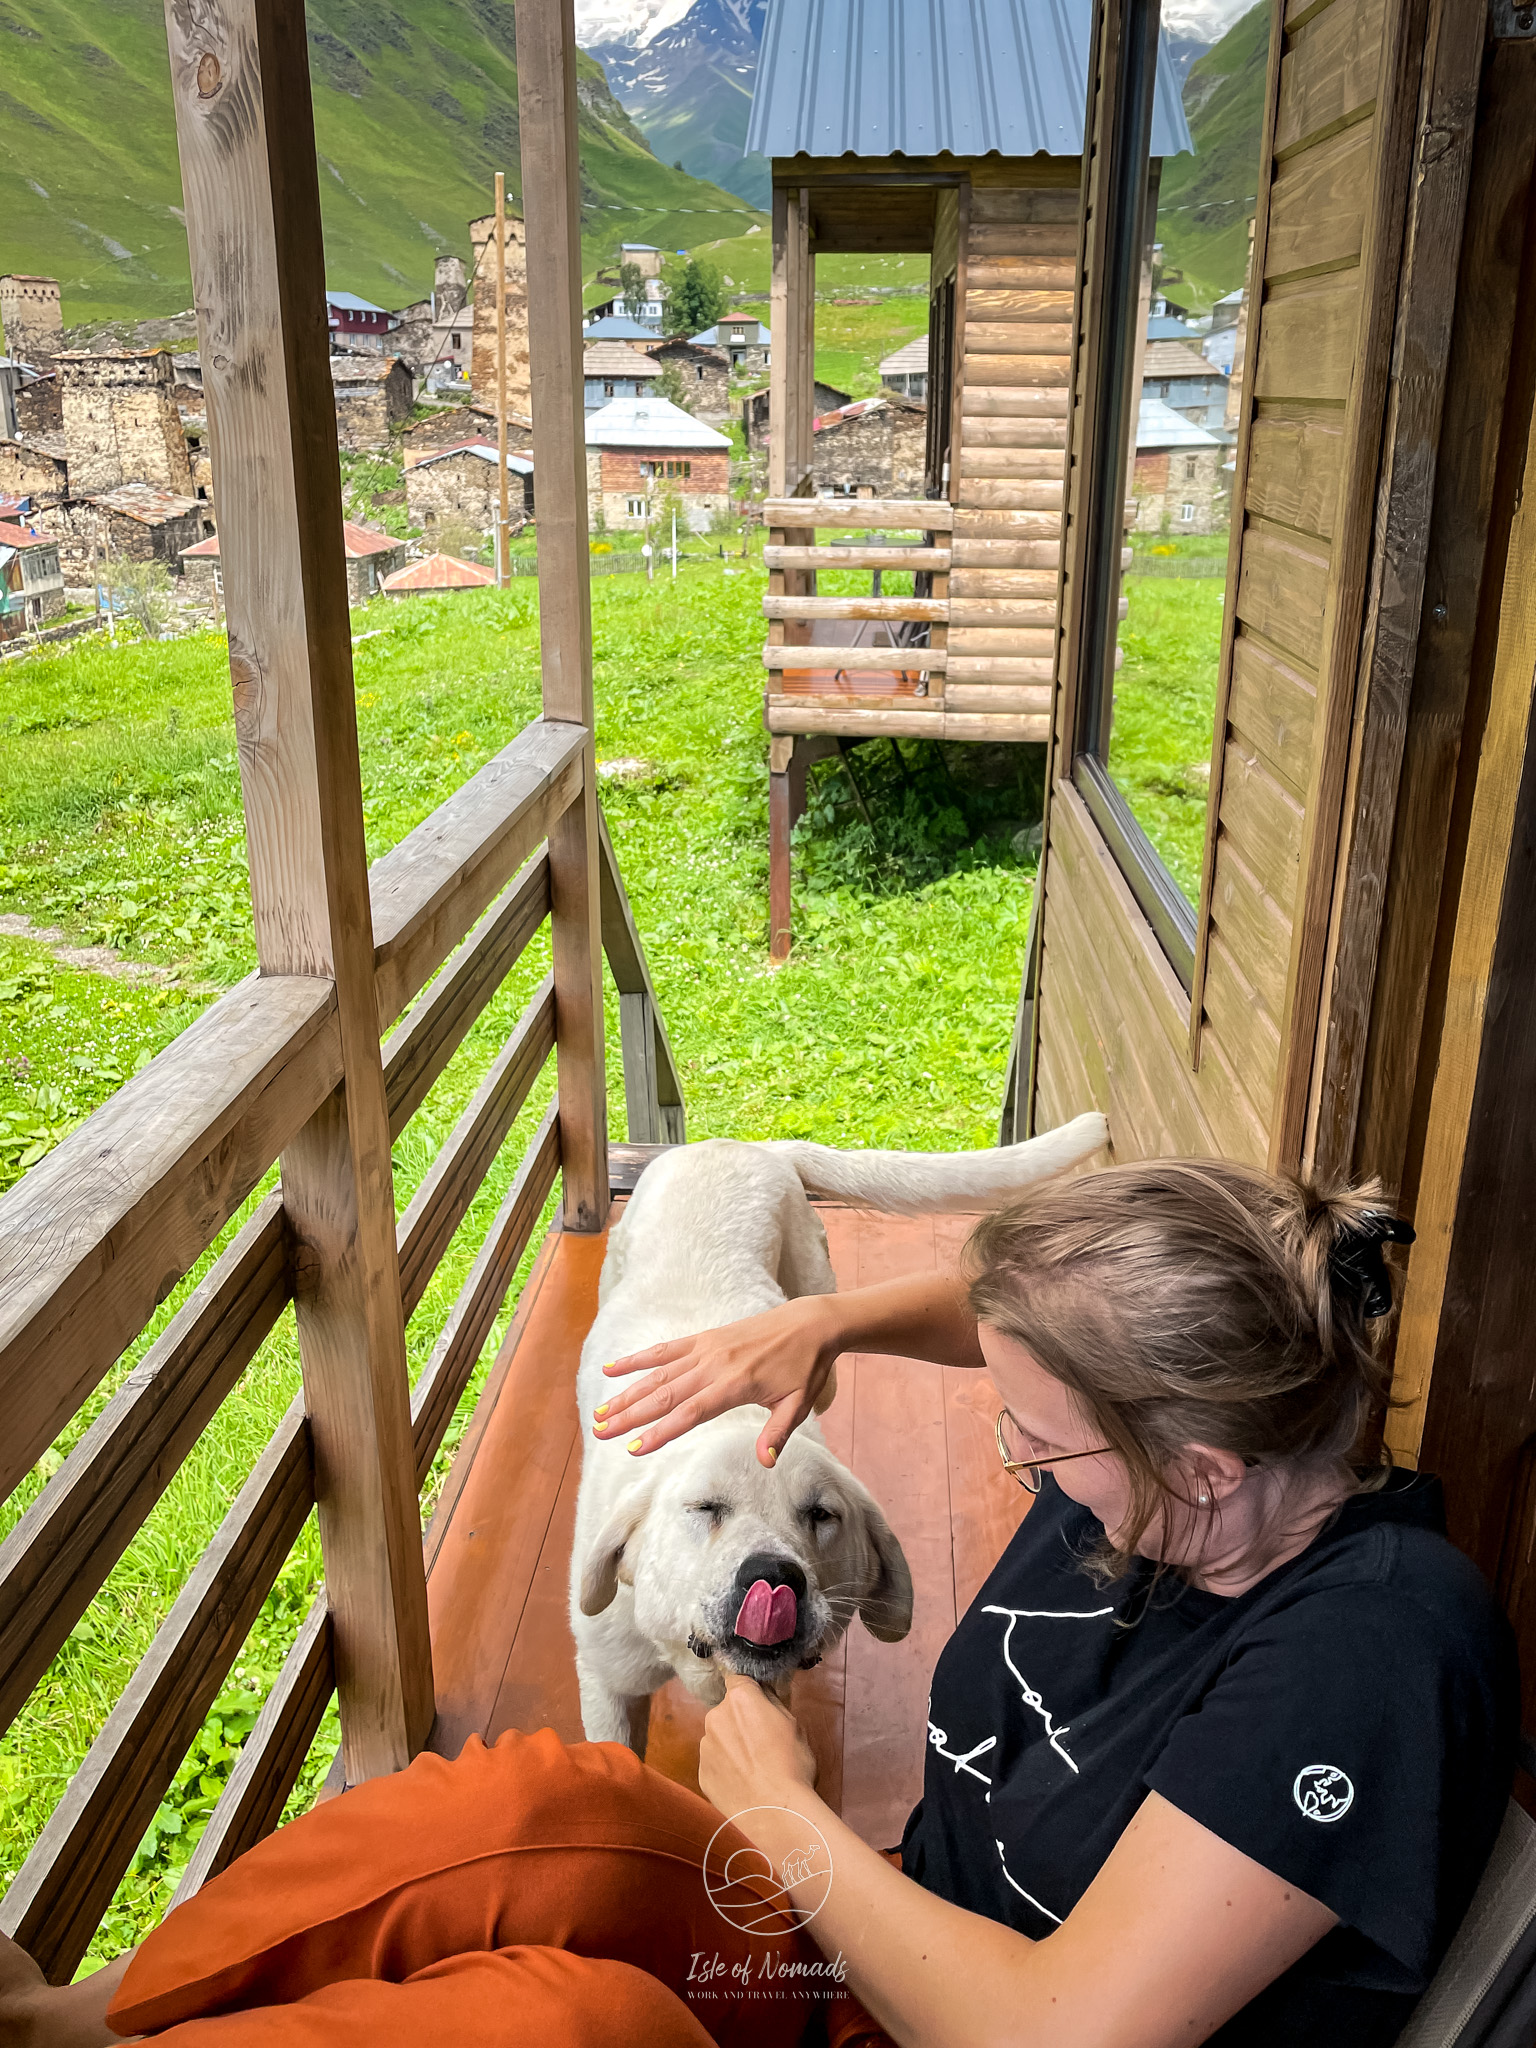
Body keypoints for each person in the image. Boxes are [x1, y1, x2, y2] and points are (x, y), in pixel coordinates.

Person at [0, 1160, 1517, 2048]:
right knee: (549, 1810)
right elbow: (1019, 1327)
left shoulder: (1366, 1654)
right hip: (878, 1953)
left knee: (575, 2028)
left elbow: (1058, 2034)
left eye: (1040, 1441)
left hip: (962, 2019)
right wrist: (827, 1321)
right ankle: (74, 2024)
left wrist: (783, 1815)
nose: (1019, 1456)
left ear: (1194, 1465)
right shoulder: (1202, 1451)